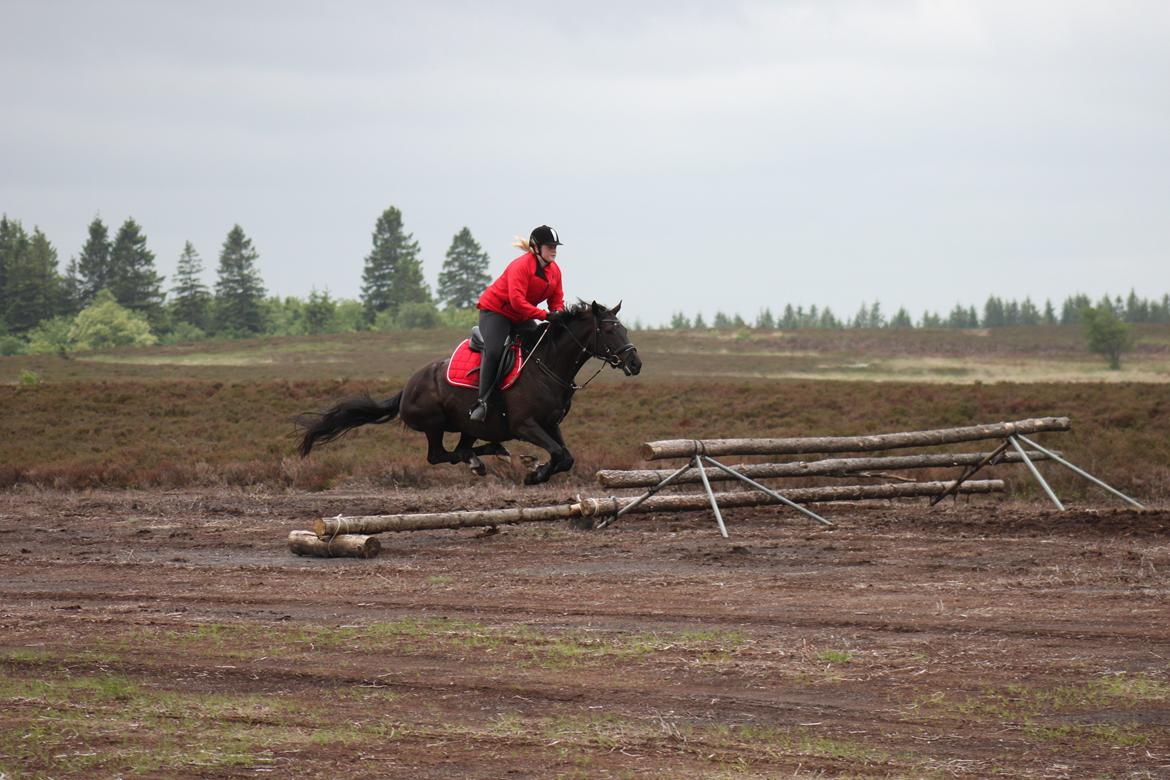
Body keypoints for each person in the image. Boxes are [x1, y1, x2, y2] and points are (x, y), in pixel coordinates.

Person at [469, 224, 566, 421]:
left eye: (555, 246)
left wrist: (558, 314)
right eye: (550, 246)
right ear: (537, 248)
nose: (554, 250)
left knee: (539, 347)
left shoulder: (555, 271)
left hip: (521, 317)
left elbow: (556, 300)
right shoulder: (520, 266)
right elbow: (517, 302)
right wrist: (545, 315)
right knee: (495, 351)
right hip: (496, 312)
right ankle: (483, 402)